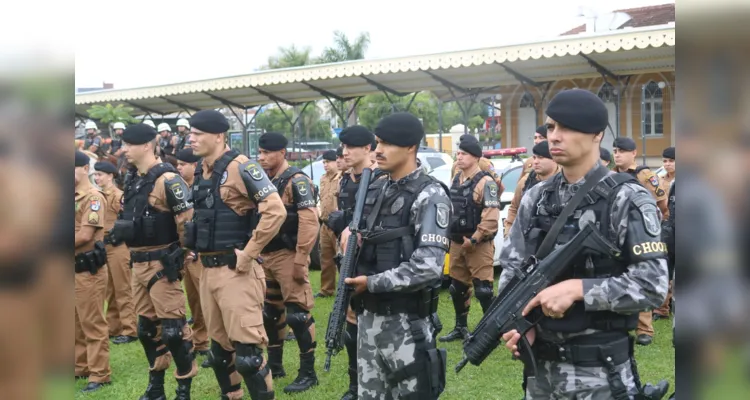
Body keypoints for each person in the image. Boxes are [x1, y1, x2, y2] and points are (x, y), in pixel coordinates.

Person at [499, 89, 669, 399]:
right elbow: (512, 268)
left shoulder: (627, 199)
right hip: (542, 375)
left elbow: (652, 285)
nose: (555, 136)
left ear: (597, 135)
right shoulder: (537, 198)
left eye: (567, 127)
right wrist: (519, 321)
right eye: (551, 127)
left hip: (600, 375)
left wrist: (579, 289)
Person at [343, 112, 450, 399]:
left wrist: (372, 282)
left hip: (405, 323)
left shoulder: (430, 195)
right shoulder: (376, 188)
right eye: (377, 142)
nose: (377, 150)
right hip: (369, 321)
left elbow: (428, 267)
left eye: (387, 143)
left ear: (411, 147)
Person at [186, 110, 286, 400]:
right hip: (208, 269)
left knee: (248, 356)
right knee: (219, 353)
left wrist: (250, 253)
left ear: (218, 136)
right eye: (191, 133)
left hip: (236, 272)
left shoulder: (242, 167)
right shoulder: (200, 170)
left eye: (198, 134)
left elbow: (275, 211)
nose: (191, 138)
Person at [113, 123, 198, 400]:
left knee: (173, 330)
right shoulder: (134, 178)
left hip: (163, 265)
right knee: (147, 329)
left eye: (128, 144)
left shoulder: (168, 180)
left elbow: (187, 221)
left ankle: (183, 389)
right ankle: (157, 386)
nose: (123, 149)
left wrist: (183, 256)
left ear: (147, 145)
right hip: (138, 263)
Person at [257, 132, 321, 394]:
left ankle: (308, 372)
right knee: (271, 314)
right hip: (267, 256)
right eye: (259, 153)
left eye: (266, 153)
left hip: (288, 255)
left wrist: (301, 258)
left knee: (298, 315)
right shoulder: (263, 180)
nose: (261, 158)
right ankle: (276, 364)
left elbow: (309, 221)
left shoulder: (297, 180)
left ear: (281, 153)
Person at [330, 125, 385, 400]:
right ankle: (356, 385)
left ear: (368, 148)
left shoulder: (380, 178)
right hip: (350, 257)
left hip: (376, 260)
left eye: (351, 147)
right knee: (351, 323)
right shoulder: (344, 180)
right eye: (343, 147)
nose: (345, 152)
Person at [440, 134, 499, 343]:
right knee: (457, 288)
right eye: (458, 153)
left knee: (483, 290)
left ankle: (491, 332)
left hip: (478, 244)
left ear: (475, 157)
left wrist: (474, 239)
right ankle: (460, 327)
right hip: (457, 242)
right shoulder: (456, 177)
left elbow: (491, 216)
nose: (459, 157)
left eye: (464, 154)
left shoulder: (486, 182)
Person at [612, 137, 668, 346]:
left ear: (633, 153)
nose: (618, 154)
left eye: (622, 151)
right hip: (616, 235)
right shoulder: (610, 176)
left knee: (642, 277)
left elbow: (662, 206)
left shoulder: (645, 176)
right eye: (615, 151)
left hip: (640, 234)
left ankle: (644, 329)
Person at [74, 151, 112, 393]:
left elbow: (86, 235)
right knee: (74, 321)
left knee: (92, 322)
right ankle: (80, 366)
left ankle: (99, 373)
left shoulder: (93, 197)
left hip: (88, 269)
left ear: (84, 167)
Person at [93, 160, 137, 345]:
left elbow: (129, 218)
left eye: (100, 175)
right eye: (95, 175)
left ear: (110, 176)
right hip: (103, 247)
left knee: (123, 288)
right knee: (109, 289)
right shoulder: (96, 195)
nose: (97, 178)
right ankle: (114, 326)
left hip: (118, 246)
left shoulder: (119, 196)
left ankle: (130, 328)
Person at [173, 149, 211, 363]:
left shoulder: (204, 185)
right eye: (177, 163)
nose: (179, 167)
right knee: (194, 300)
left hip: (201, 252)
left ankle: (221, 345)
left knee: (208, 299)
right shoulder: (181, 188)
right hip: (186, 252)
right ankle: (201, 341)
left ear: (195, 165)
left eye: (183, 164)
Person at [504, 141, 560, 238]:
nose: (535, 161)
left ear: (554, 159)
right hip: (528, 241)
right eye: (534, 157)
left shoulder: (565, 181)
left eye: (541, 158)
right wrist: (508, 233)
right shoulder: (525, 182)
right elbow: (514, 208)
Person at [653, 146, 675, 321]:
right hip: (664, 226)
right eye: (665, 161)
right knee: (664, 268)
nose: (667, 164)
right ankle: (662, 309)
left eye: (671, 161)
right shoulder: (659, 180)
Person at [316, 149, 341, 298]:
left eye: (328, 162)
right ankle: (326, 289)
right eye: (324, 162)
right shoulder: (323, 178)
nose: (325, 165)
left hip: (337, 224)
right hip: (324, 223)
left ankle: (343, 289)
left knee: (341, 258)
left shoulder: (341, 178)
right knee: (325, 258)